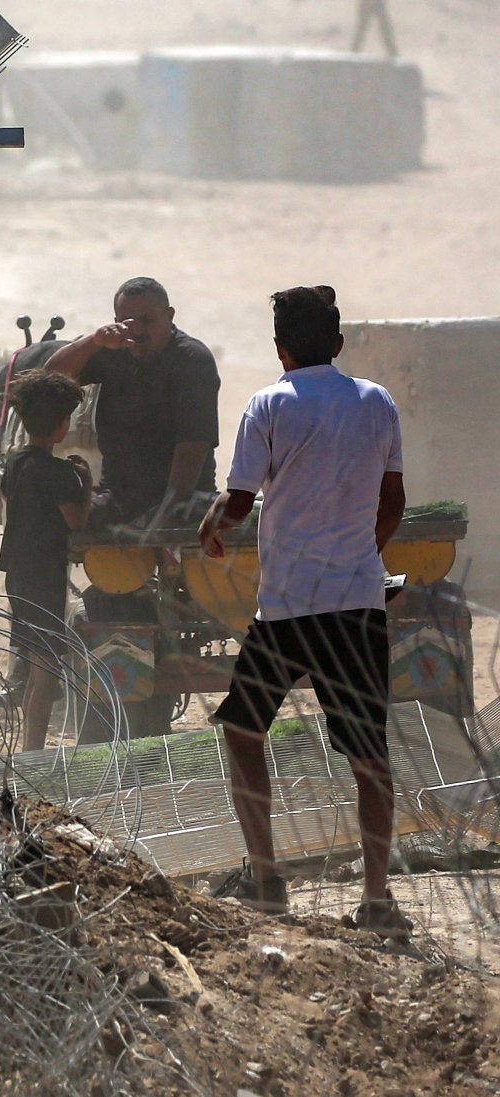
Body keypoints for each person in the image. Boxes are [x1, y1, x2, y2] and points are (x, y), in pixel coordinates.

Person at [198, 287, 409, 936]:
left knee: (242, 731)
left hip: (287, 610)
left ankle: (266, 876)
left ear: (279, 348)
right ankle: (377, 897)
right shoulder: (377, 402)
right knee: (368, 754)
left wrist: (210, 527)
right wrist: (363, 559)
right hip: (355, 607)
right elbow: (394, 500)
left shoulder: (268, 404)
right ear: (338, 344)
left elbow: (237, 503)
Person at [44, 277, 220, 530]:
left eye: (147, 320)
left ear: (169, 316)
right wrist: (94, 341)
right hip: (119, 496)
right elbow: (49, 380)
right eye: (128, 322)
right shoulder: (114, 350)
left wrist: (162, 522)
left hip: (185, 500)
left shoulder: (192, 360)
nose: (137, 331)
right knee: (47, 517)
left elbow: (192, 447)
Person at [0, 371, 92, 751]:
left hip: (18, 573)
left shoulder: (16, 461)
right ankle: (33, 751)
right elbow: (77, 521)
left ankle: (29, 747)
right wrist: (85, 483)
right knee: (47, 670)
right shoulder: (59, 473)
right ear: (63, 425)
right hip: (44, 575)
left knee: (36, 663)